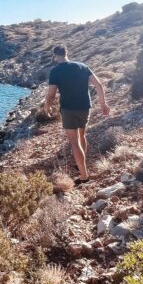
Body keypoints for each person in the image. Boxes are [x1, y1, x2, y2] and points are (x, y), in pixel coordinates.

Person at [44, 44, 110, 182]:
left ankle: (84, 175)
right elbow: (99, 85)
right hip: (85, 107)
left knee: (74, 142)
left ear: (55, 56)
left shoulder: (55, 71)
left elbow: (51, 94)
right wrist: (103, 104)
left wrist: (47, 107)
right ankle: (80, 162)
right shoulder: (82, 66)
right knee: (82, 135)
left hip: (68, 109)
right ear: (67, 53)